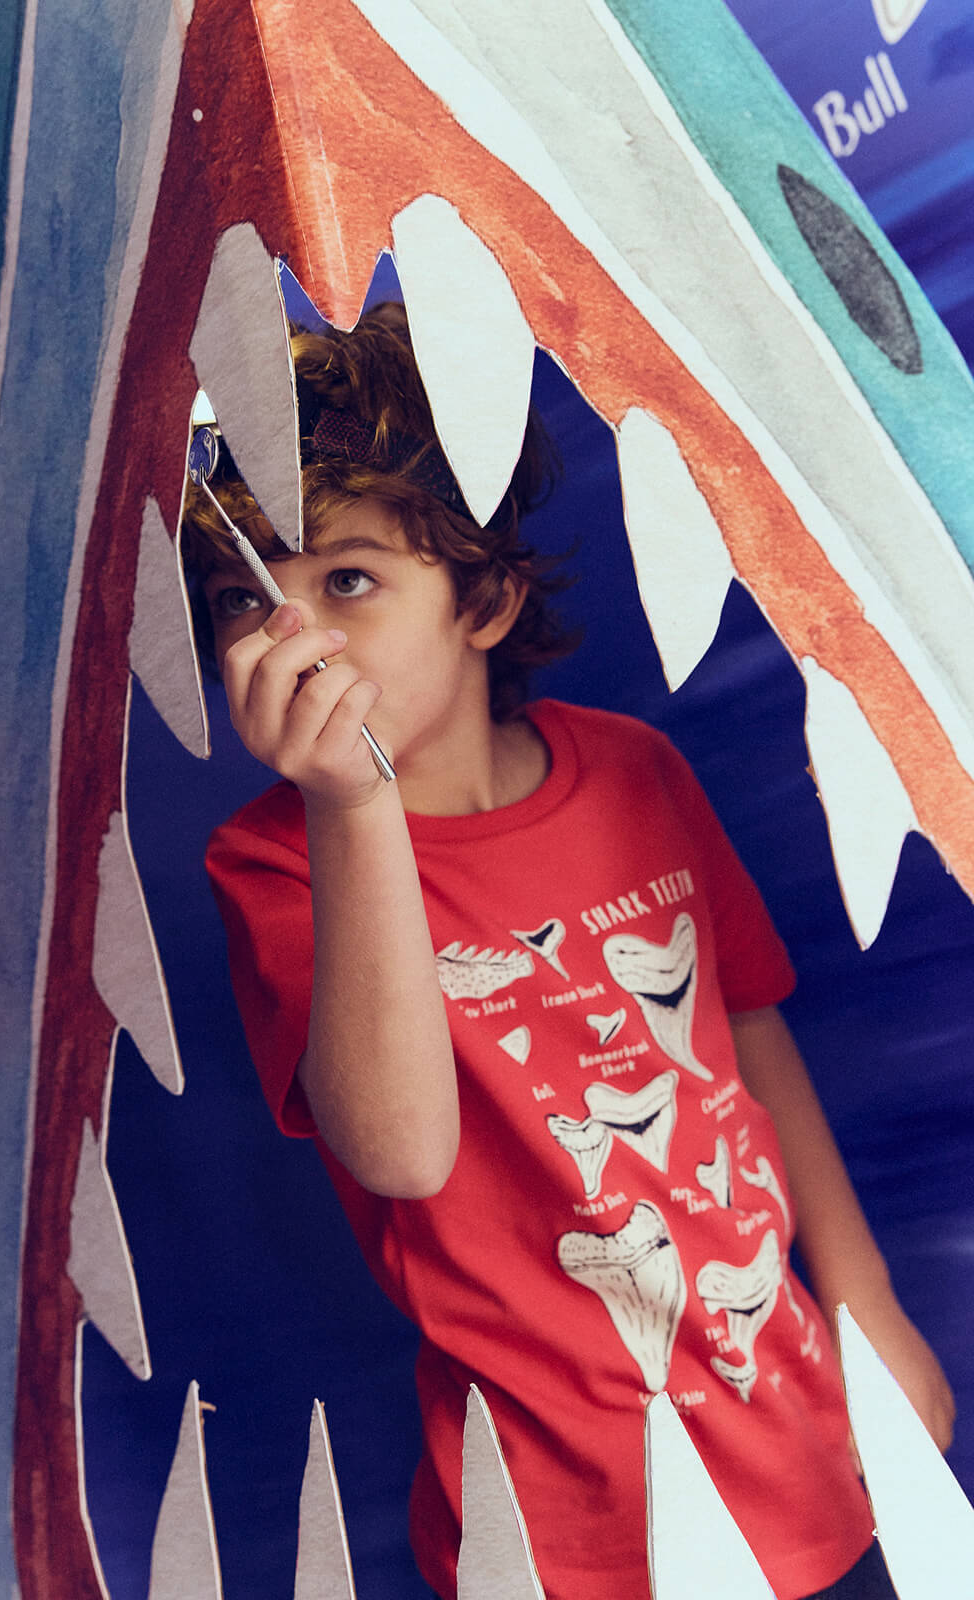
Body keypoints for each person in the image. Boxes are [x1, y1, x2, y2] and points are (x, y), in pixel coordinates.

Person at [180, 302, 953, 1599]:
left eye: (348, 579)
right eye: (242, 598)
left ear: (482, 597)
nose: (291, 635)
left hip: (785, 1413)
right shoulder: (273, 863)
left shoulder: (639, 774)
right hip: (557, 1519)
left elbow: (749, 1035)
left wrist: (864, 1304)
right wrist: (353, 807)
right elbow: (403, 1153)